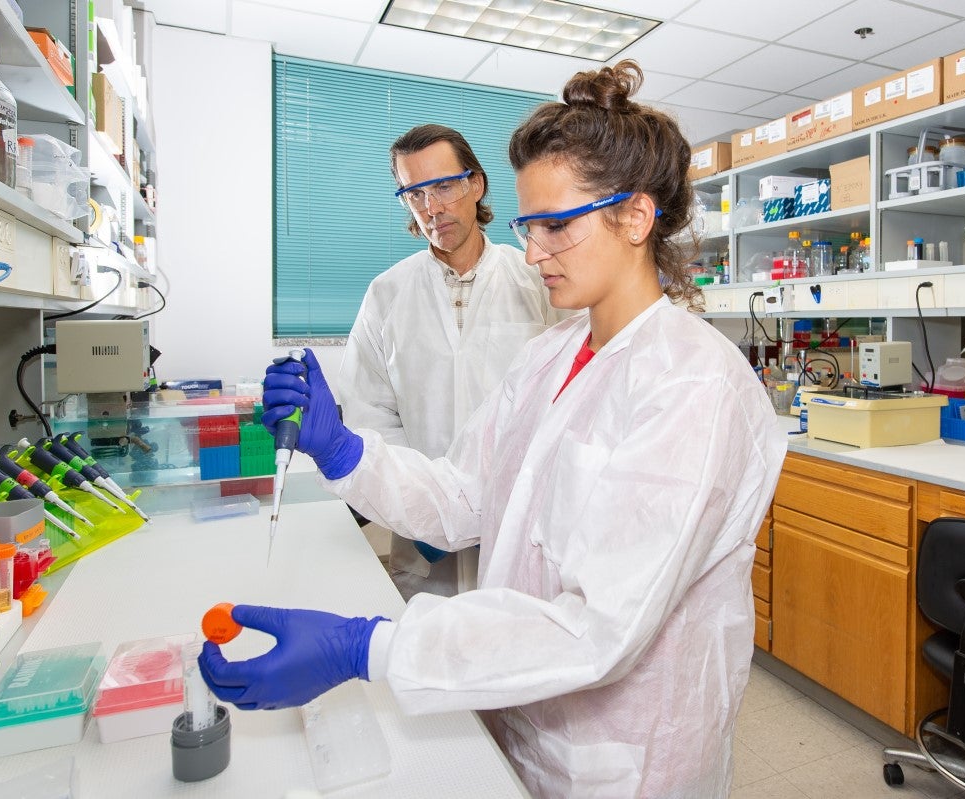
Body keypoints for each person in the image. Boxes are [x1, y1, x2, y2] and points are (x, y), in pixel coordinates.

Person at [203, 61, 785, 798]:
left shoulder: (693, 383)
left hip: (627, 754)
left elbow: (596, 628)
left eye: (556, 225)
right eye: (526, 225)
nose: (533, 251)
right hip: (516, 707)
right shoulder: (549, 356)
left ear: (635, 217)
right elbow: (463, 495)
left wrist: (367, 647)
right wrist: (344, 447)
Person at [341, 124, 561, 598]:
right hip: (422, 542)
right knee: (429, 655)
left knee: (515, 652)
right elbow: (370, 413)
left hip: (521, 521)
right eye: (414, 194)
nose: (432, 208)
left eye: (443, 186)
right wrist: (417, 504)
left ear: (476, 184)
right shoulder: (386, 294)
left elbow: (569, 396)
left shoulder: (537, 280)